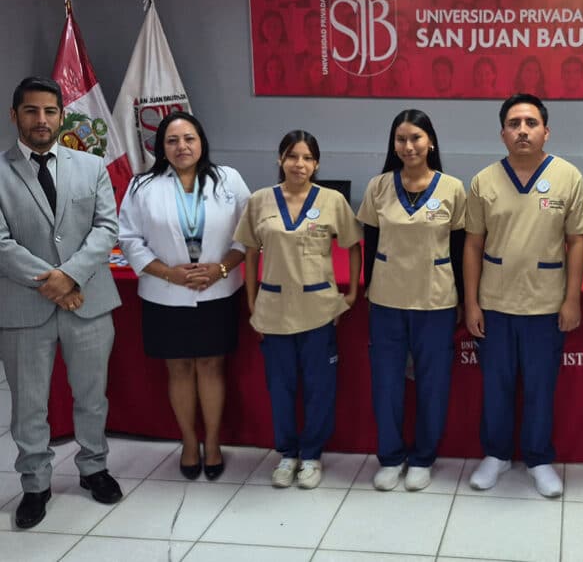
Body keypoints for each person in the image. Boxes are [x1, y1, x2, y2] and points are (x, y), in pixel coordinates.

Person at [0, 76, 123, 529]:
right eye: (31, 111)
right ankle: (35, 483)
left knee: (92, 397)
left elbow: (106, 229)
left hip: (88, 302)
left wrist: (69, 275)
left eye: (50, 111)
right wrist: (52, 280)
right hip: (22, 310)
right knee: (29, 404)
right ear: (15, 116)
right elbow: (0, 243)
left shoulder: (91, 166)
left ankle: (94, 468)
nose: (41, 120)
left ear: (61, 116)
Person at [463, 93, 583, 497]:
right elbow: (472, 246)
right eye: (514, 123)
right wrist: (471, 302)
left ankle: (538, 458)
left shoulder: (568, 176)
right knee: (496, 385)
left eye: (531, 123)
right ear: (502, 133)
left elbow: (578, 242)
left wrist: (572, 299)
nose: (522, 130)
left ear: (546, 131)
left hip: (546, 304)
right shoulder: (484, 180)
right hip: (496, 302)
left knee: (540, 386)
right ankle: (496, 455)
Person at [118, 112, 252, 481]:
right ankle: (189, 442)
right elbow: (129, 239)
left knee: (211, 364)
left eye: (189, 139)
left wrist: (221, 268)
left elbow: (248, 233)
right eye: (173, 141)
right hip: (165, 294)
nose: (182, 147)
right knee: (177, 367)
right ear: (161, 147)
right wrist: (169, 273)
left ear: (201, 141)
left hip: (217, 290)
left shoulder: (229, 180)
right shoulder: (141, 186)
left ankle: (212, 443)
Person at [234, 130, 361, 490]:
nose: (299, 164)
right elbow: (249, 252)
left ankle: (311, 455)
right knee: (281, 386)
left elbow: (353, 245)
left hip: (319, 308)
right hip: (273, 308)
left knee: (320, 387)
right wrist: (251, 301)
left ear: (317, 163)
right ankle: (287, 453)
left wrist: (349, 294)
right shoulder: (260, 201)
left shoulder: (332, 200)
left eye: (307, 158)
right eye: (292, 156)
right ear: (280, 160)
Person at [357, 109, 466, 492]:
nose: (408, 146)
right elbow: (369, 242)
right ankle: (390, 456)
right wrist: (369, 287)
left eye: (416, 138)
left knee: (433, 383)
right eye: (401, 139)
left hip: (436, 300)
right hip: (386, 299)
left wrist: (464, 302)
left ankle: (422, 457)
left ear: (430, 141)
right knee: (387, 381)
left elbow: (459, 246)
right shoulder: (379, 186)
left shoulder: (452, 188)